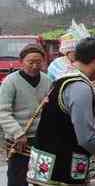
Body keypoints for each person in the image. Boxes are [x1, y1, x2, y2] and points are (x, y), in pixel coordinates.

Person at [27, 38, 95, 185]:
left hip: (45, 166)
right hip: (62, 169)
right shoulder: (80, 87)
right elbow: (86, 138)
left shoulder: (62, 78)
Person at [0, 44, 52, 186]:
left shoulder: (47, 81)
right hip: (19, 141)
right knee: (18, 179)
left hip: (42, 138)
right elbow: (3, 112)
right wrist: (18, 133)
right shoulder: (10, 81)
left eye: (38, 62)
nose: (35, 66)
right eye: (31, 62)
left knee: (41, 178)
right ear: (21, 61)